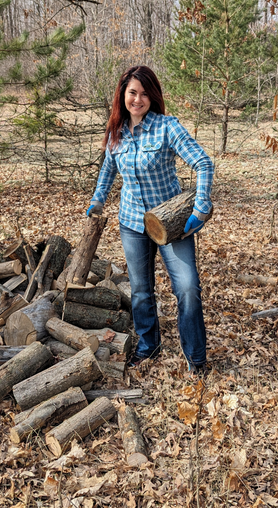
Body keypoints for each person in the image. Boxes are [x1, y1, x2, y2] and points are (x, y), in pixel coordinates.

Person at [87, 65, 214, 374]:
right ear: (123, 95)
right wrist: (97, 199)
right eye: (132, 92)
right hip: (132, 222)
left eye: (144, 94)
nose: (138, 99)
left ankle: (196, 360)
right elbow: (108, 170)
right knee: (142, 292)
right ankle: (149, 346)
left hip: (171, 225)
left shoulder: (167, 127)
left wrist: (201, 204)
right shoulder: (115, 132)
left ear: (152, 96)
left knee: (187, 287)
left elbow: (203, 162)